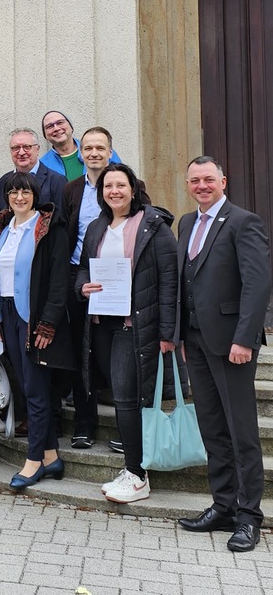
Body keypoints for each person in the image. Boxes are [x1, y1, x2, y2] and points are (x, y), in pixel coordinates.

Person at [176, 156, 271, 553]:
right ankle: (223, 506)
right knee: (212, 428)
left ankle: (249, 517)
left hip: (231, 344)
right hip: (195, 342)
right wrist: (178, 334)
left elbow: (257, 283)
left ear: (223, 181)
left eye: (208, 179)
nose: (201, 185)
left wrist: (245, 339)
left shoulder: (242, 222)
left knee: (241, 432)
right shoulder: (185, 223)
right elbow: (184, 281)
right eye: (195, 180)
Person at [77, 163, 177, 504]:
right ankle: (133, 467)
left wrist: (168, 331)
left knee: (125, 397)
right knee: (124, 395)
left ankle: (137, 475)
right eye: (108, 186)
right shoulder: (96, 227)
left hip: (133, 326)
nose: (114, 191)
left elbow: (169, 279)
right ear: (101, 192)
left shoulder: (152, 225)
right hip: (101, 324)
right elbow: (82, 271)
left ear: (133, 190)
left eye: (121, 185)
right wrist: (83, 288)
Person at [0, 172, 73, 490]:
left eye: (25, 191)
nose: (19, 197)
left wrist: (48, 323)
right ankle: (51, 456)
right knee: (27, 386)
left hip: (34, 318)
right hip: (7, 313)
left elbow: (60, 281)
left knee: (36, 390)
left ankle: (33, 461)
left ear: (35, 194)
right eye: (13, 192)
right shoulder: (2, 228)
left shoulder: (49, 229)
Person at [61, 126, 146, 449]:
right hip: (82, 280)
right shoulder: (71, 190)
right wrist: (75, 283)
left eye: (100, 148)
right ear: (80, 154)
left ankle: (128, 427)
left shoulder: (127, 185)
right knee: (82, 353)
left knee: (117, 354)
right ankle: (84, 422)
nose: (94, 153)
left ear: (110, 152)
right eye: (88, 148)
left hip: (122, 285)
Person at [0, 128, 67, 212]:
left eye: (26, 147)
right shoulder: (3, 182)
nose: (21, 152)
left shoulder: (57, 181)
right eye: (16, 148)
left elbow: (62, 221)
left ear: (37, 149)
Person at [39, 110, 121, 180]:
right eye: (49, 126)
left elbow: (121, 180)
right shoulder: (43, 165)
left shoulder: (103, 152)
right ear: (45, 135)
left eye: (60, 123)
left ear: (71, 127)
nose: (56, 128)